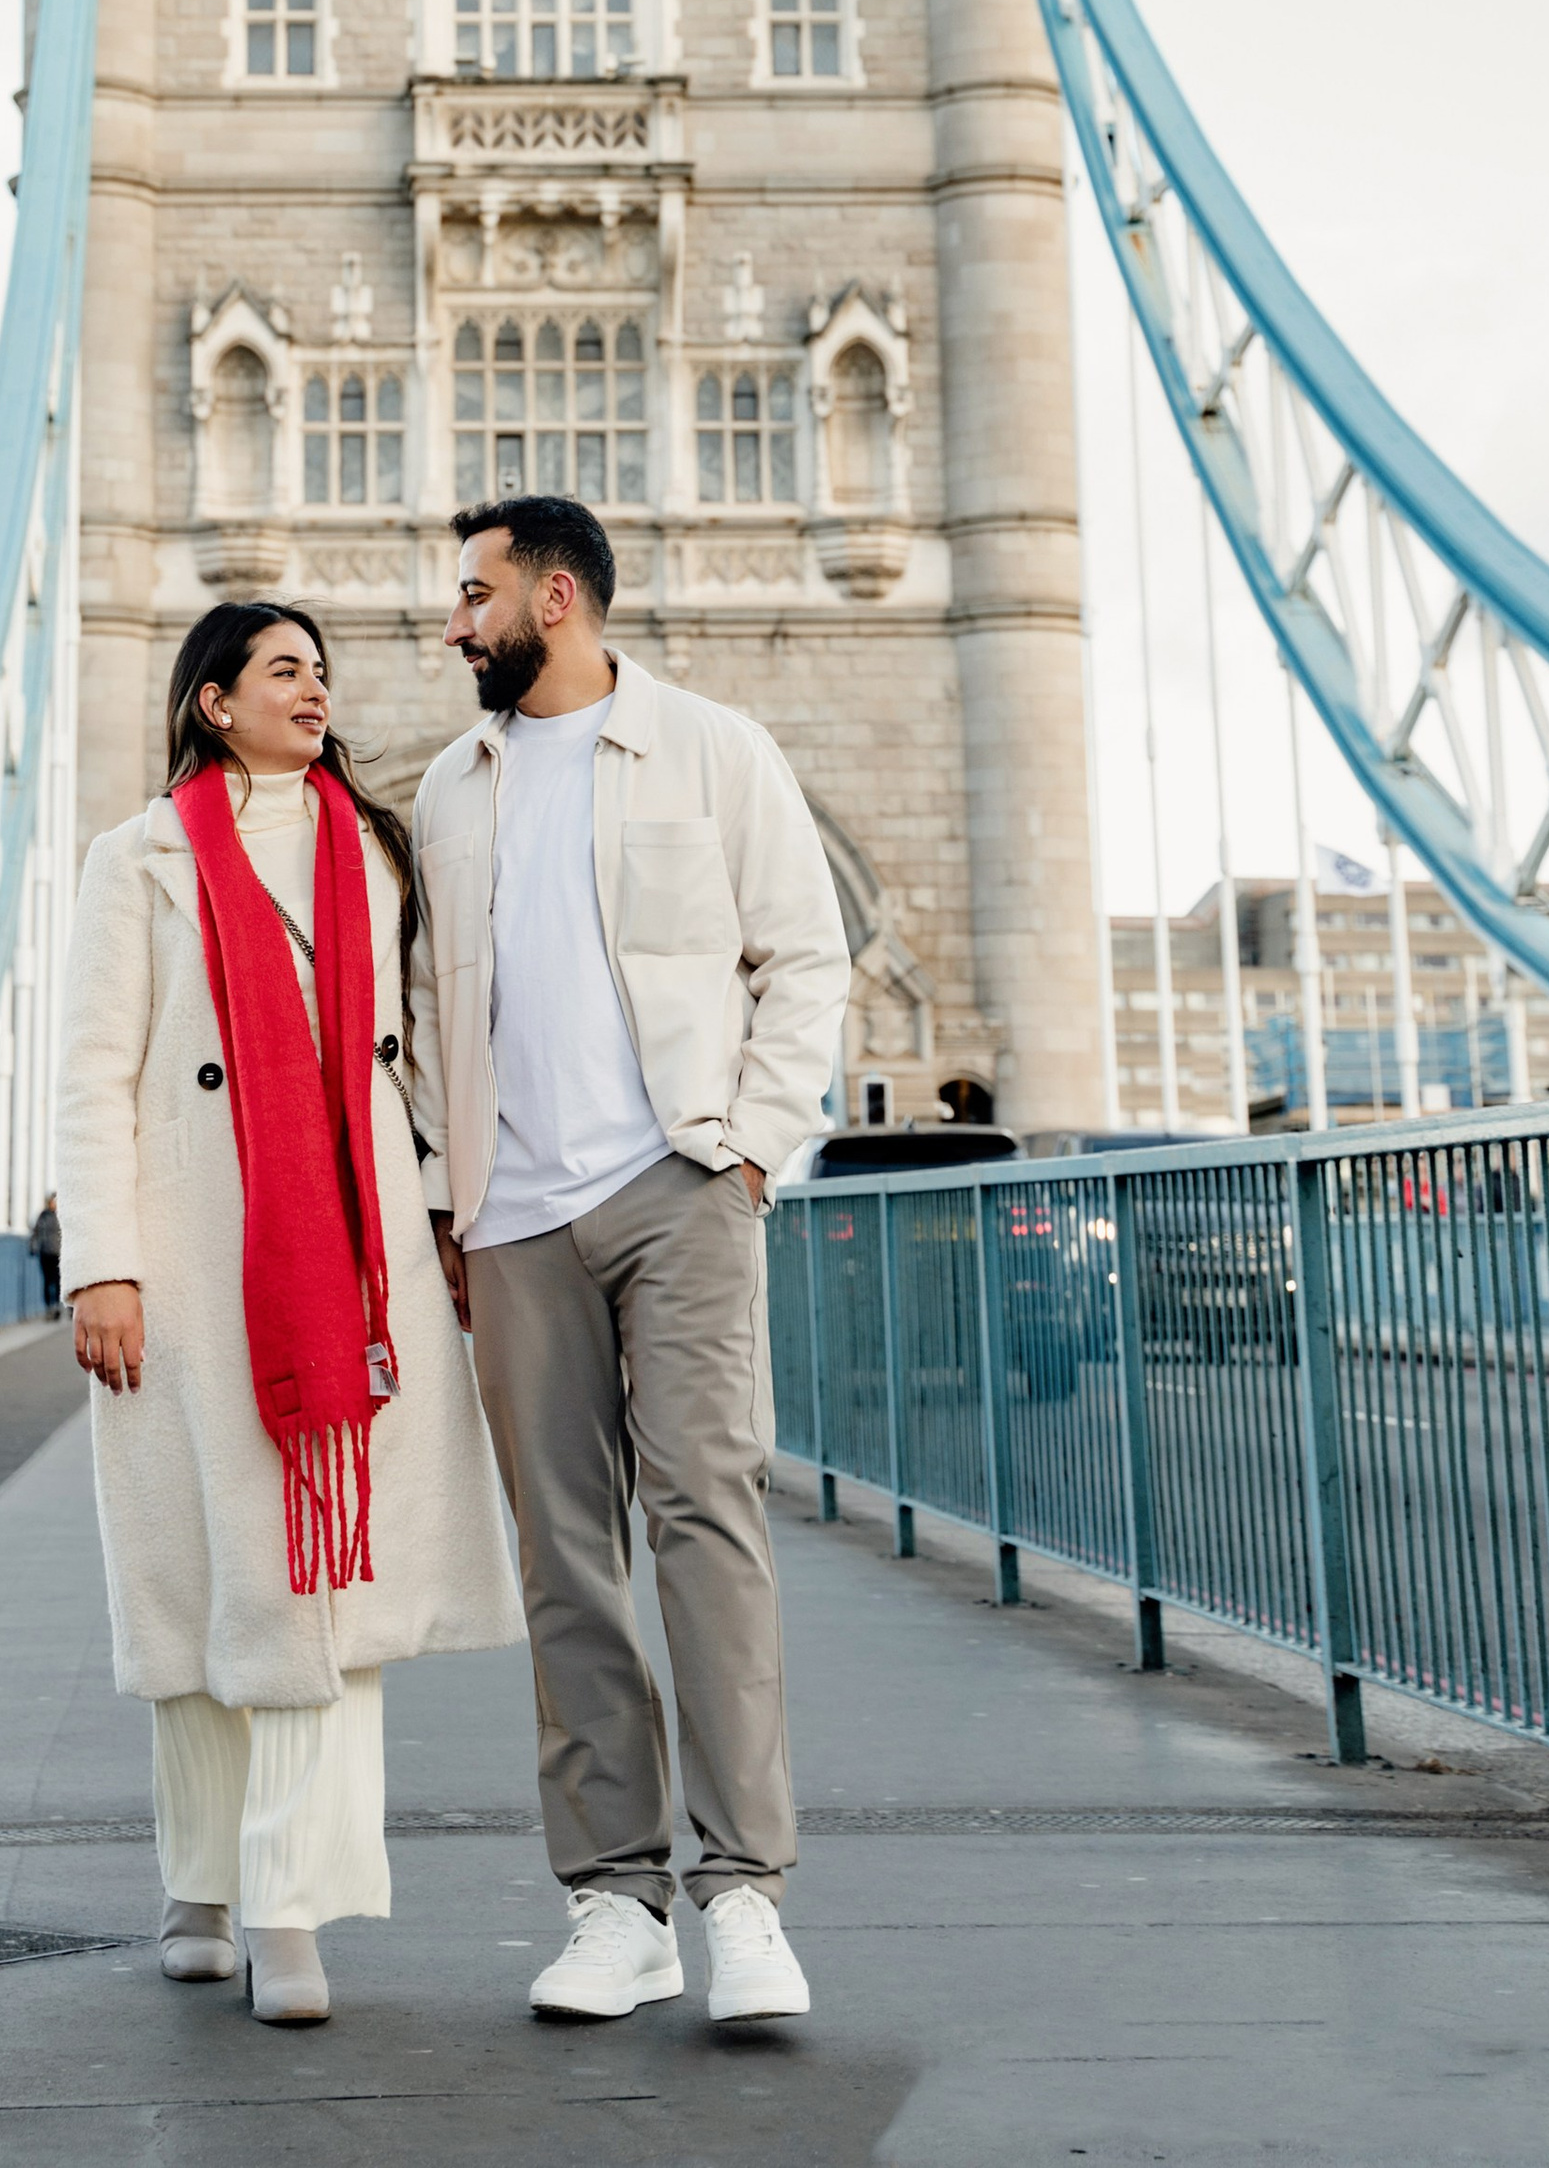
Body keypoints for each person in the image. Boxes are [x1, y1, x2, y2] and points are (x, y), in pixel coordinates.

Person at [408, 497, 850, 2029]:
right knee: (565, 1562)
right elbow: (421, 1020)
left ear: (557, 593)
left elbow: (805, 953)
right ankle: (615, 1897)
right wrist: (440, 1190)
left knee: (708, 1525)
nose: (452, 623)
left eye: (472, 595)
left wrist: (746, 1148)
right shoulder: (445, 790)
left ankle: (745, 1895)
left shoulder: (714, 747)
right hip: (513, 1216)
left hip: (678, 1185)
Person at [58, 601, 521, 2026]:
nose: (314, 689)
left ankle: (290, 1903)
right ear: (213, 700)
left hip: (355, 1251)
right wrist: (103, 1262)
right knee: (204, 1580)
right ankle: (201, 1877)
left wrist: (449, 1213)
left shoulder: (374, 849)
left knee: (322, 1583)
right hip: (195, 1258)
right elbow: (94, 1072)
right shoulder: (135, 856)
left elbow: (429, 1050)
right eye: (282, 669)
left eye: (323, 671)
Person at [30, 1191, 63, 1319]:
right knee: (47, 1281)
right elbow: (36, 1232)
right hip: (45, 1253)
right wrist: (33, 1247)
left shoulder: (61, 1215)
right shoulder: (43, 1216)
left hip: (59, 1254)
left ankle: (56, 1306)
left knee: (57, 1281)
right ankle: (49, 1307)